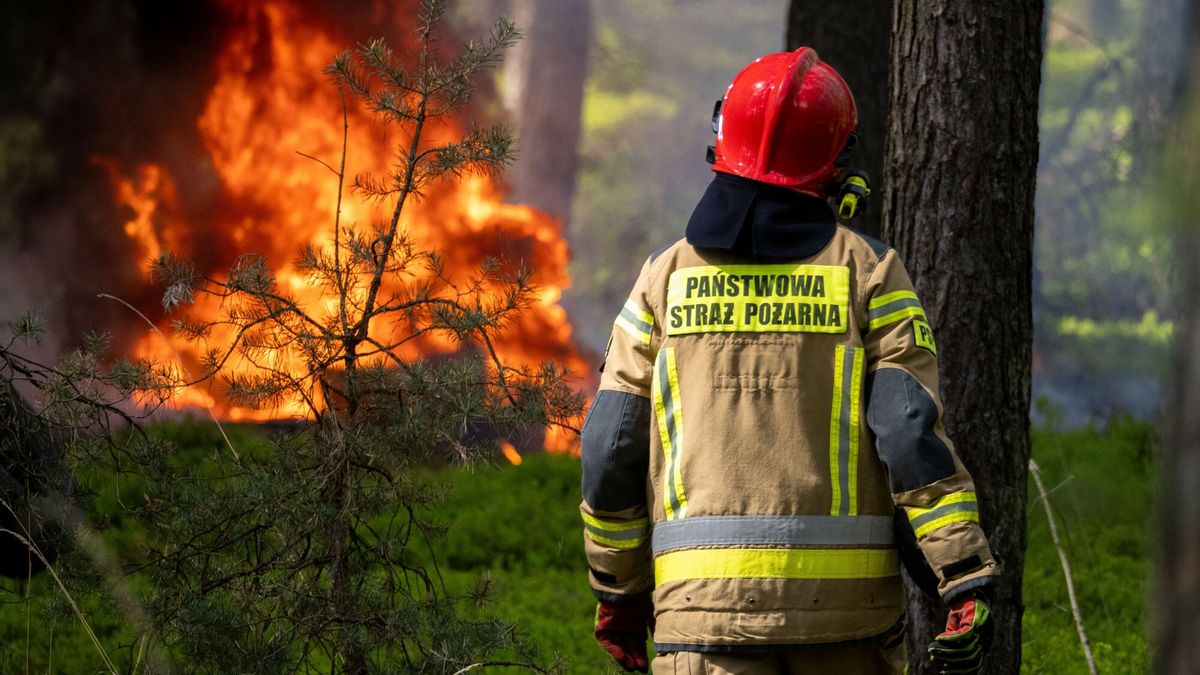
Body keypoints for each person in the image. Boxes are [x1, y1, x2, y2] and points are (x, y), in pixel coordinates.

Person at [579, 47, 1001, 675]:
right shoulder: (869, 272)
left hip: (700, 624)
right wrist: (962, 576)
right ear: (836, 163)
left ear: (722, 140)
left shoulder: (663, 279)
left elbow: (610, 446)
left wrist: (619, 593)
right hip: (847, 628)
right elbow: (909, 433)